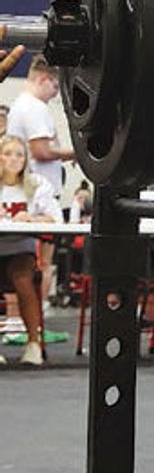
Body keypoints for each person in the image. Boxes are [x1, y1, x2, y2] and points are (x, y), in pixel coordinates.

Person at [4, 55, 74, 305]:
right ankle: (33, 321)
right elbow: (41, 151)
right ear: (44, 79)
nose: (56, 94)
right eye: (55, 86)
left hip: (30, 192)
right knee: (40, 263)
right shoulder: (34, 107)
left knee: (26, 261)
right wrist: (77, 153)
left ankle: (25, 322)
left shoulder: (22, 104)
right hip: (37, 194)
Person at [0, 134, 62, 365]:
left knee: (23, 278)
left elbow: (55, 218)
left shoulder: (37, 184)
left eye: (19, 154)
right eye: (8, 154)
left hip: (20, 249)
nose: (14, 159)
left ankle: (33, 343)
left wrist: (31, 217)